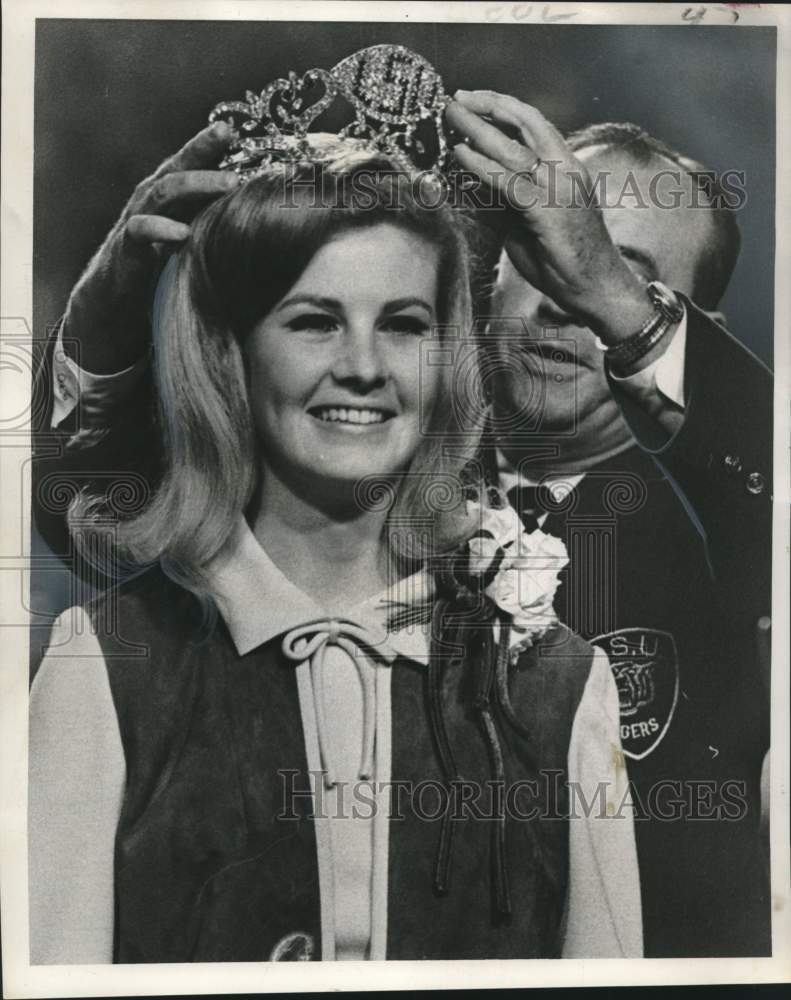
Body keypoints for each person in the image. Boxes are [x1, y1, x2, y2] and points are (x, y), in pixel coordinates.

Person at [28, 109, 642, 960]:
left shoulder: (557, 681)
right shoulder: (103, 662)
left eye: (402, 325)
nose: (362, 366)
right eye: (314, 320)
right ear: (229, 354)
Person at [445, 92, 772, 957]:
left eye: (615, 274)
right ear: (493, 272)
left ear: (685, 330)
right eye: (546, 255)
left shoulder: (732, 540)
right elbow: (94, 518)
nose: (566, 302)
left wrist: (617, 305)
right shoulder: (357, 486)